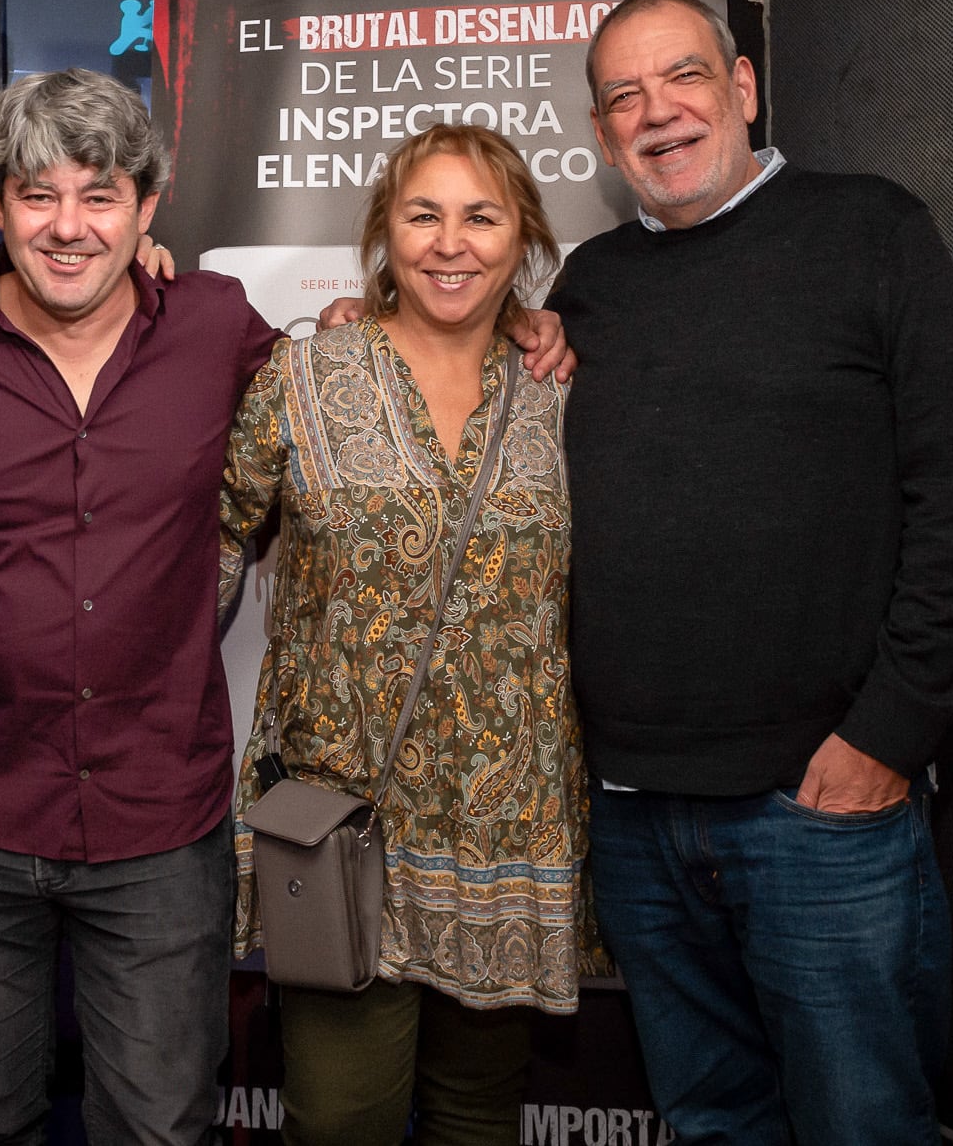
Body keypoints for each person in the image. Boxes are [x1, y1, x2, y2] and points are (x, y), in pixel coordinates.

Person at [0, 70, 574, 1145]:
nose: (69, 227)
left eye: (100, 195)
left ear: (149, 206)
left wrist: (444, 324)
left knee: (164, 1128)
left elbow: (346, 388)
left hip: (160, 820)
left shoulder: (220, 334)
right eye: (36, 194)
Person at [546, 0, 953, 1144]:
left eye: (684, 78)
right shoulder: (586, 288)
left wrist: (884, 742)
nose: (660, 114)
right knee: (711, 1123)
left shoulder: (873, 232)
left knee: (864, 1124)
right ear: (604, 136)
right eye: (625, 98)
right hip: (636, 818)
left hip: (822, 816)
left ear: (743, 88)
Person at [222, 124, 588, 1146]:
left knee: (477, 1116)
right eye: (423, 214)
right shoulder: (305, 380)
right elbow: (209, 541)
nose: (450, 242)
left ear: (523, 237)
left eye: (481, 215)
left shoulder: (558, 390)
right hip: (345, 822)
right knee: (340, 1121)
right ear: (385, 230)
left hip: (508, 830)